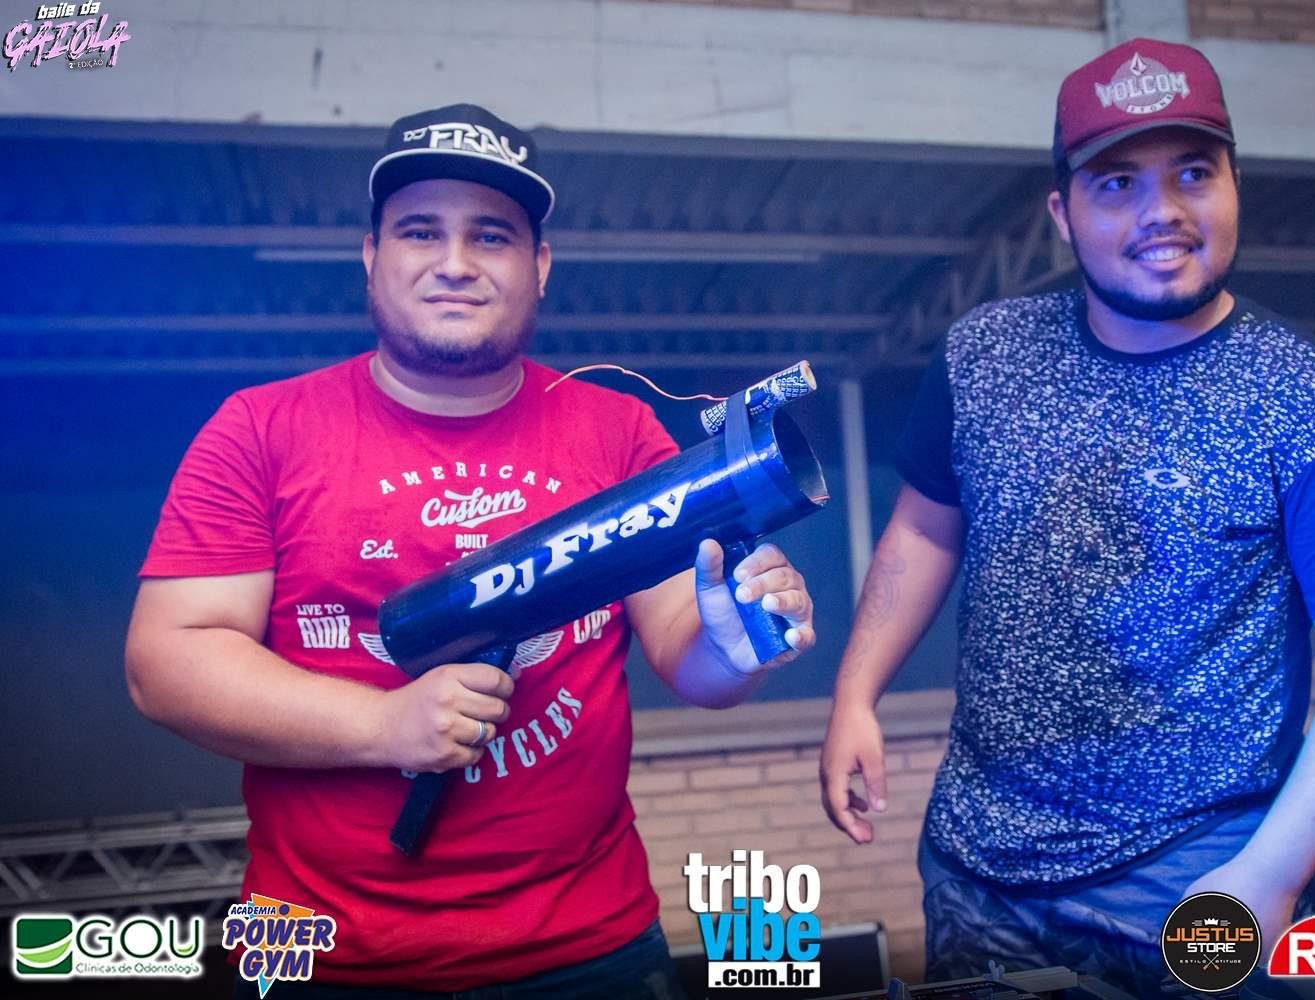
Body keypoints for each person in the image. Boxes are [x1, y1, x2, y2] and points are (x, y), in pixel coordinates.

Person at [125, 104, 816, 1000]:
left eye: (492, 235)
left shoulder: (618, 431)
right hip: (302, 948)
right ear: (371, 257)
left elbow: (694, 659)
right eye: (421, 231)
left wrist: (735, 645)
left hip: (589, 946)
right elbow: (165, 664)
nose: (455, 262)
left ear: (540, 266)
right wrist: (382, 726)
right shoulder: (259, 429)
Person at [819, 39, 1315, 997]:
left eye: (1194, 173)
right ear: (1062, 215)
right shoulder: (982, 357)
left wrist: (1271, 876)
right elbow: (925, 527)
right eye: (1118, 184)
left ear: (1234, 186)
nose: (1164, 212)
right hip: (978, 867)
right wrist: (855, 692)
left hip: (1204, 876)